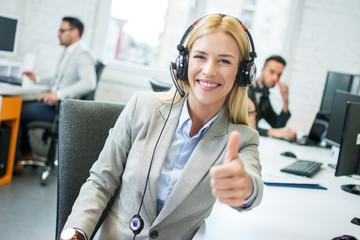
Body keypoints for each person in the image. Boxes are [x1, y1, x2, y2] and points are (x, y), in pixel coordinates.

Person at [60, 14, 263, 240]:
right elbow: (100, 182)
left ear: (244, 73)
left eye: (224, 61)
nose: (209, 70)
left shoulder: (242, 139)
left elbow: (252, 184)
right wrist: (76, 232)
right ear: (183, 63)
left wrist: (245, 188)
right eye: (200, 57)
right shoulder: (142, 107)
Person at [13, 16, 96, 173]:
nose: (58, 34)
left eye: (62, 30)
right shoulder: (69, 52)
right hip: (54, 106)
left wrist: (58, 94)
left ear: (75, 32)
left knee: (18, 110)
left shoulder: (82, 53)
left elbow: (89, 83)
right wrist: (36, 78)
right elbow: (58, 78)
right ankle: (26, 153)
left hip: (62, 111)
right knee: (19, 106)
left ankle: (15, 160)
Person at [248, 55, 297, 140]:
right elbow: (242, 126)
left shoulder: (264, 96)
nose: (275, 78)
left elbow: (277, 125)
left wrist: (285, 101)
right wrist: (269, 132)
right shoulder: (246, 90)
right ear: (262, 70)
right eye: (272, 72)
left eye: (279, 75)